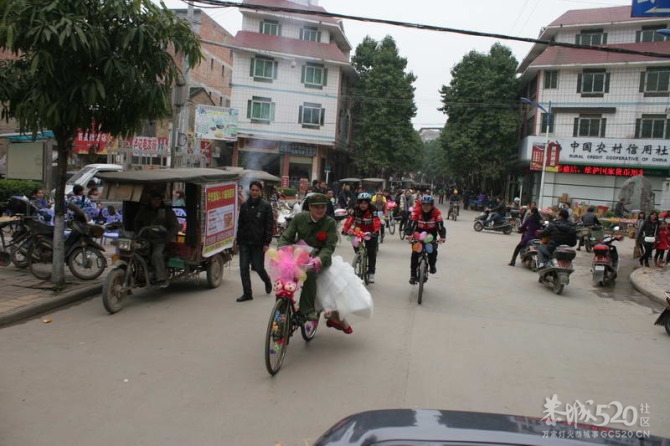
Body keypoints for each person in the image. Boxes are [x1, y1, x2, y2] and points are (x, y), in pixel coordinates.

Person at [278, 193, 338, 322]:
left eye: (323, 207)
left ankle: (307, 309)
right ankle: (282, 305)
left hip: (317, 260)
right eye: (316, 207)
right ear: (310, 207)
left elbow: (329, 247)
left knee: (310, 274)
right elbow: (287, 236)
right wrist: (282, 249)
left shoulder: (330, 223)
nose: (320, 210)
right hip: (298, 255)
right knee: (284, 274)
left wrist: (319, 259)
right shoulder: (299, 218)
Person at [235, 181, 274, 302]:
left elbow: (269, 226)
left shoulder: (266, 206)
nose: (254, 192)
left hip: (258, 242)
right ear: (250, 191)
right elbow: (240, 224)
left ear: (260, 191)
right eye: (252, 190)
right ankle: (247, 293)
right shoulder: (245, 205)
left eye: (257, 190)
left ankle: (267, 281)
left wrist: (267, 243)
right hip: (245, 242)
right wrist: (238, 240)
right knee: (243, 268)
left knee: (258, 267)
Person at [134, 190, 179, 288]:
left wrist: (166, 238)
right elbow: (137, 223)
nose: (156, 202)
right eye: (154, 200)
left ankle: (161, 279)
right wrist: (140, 233)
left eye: (158, 200)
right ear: (150, 200)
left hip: (159, 240)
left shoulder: (167, 212)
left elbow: (175, 227)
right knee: (134, 252)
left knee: (156, 255)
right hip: (145, 239)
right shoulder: (144, 210)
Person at [405, 195, 446, 284]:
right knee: (415, 254)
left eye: (428, 205)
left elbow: (440, 226)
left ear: (432, 205)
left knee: (433, 252)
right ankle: (413, 276)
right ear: (421, 205)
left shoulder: (436, 213)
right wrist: (408, 234)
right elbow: (411, 224)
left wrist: (442, 237)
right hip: (418, 235)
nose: (426, 206)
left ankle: (432, 266)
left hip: (431, 236)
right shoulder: (416, 212)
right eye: (424, 204)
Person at [342, 193, 381, 283]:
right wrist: (345, 229)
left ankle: (371, 273)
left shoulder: (373, 209)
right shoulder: (355, 209)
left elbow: (376, 221)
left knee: (371, 252)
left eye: (365, 203)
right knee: (354, 241)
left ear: (368, 204)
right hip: (358, 230)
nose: (363, 205)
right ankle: (359, 255)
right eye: (361, 203)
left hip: (370, 232)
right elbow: (350, 220)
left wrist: (376, 231)